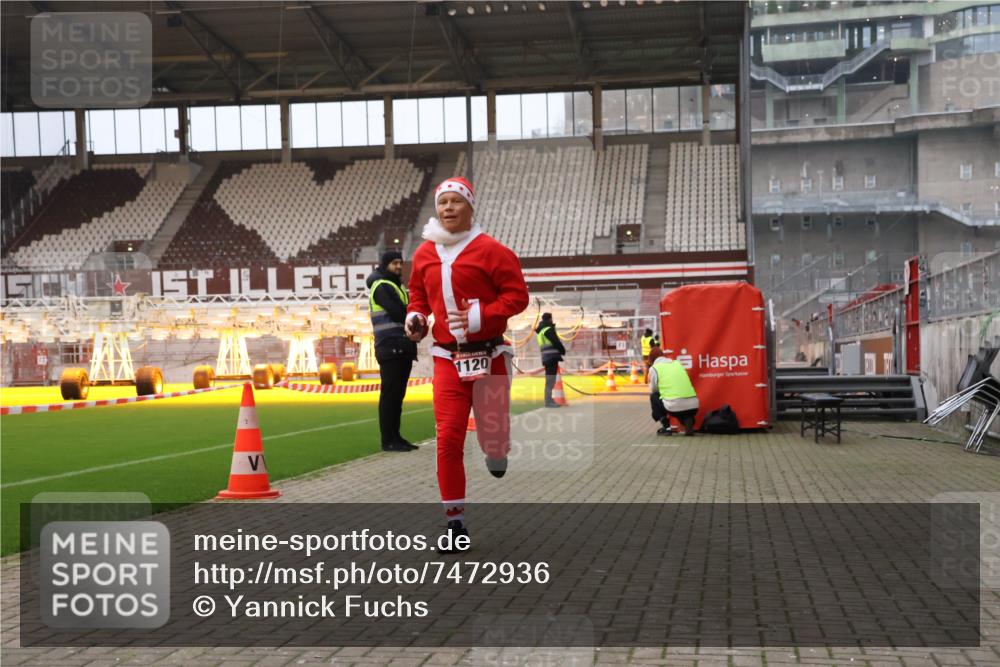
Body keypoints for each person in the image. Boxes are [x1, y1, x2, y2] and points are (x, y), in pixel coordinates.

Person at [405, 176, 529, 554]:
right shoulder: (424, 253)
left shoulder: (492, 250)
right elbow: (418, 296)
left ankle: (496, 448)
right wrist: (416, 318)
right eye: (442, 202)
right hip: (446, 358)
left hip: (488, 354)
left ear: (470, 207)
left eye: (455, 202)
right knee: (448, 437)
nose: (447, 209)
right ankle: (454, 522)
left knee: (492, 434)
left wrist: (481, 316)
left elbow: (517, 297)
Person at [366, 250, 419, 452]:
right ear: (385, 264)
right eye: (394, 263)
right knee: (390, 396)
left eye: (400, 262)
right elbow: (400, 313)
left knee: (396, 396)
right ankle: (388, 440)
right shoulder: (382, 286)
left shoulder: (395, 285)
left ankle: (395, 437)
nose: (398, 266)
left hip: (399, 346)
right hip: (391, 346)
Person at [648, 347, 700, 436]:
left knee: (654, 396)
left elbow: (654, 389)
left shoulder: (654, 368)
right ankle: (687, 419)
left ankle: (666, 427)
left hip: (674, 406)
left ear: (651, 360)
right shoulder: (677, 363)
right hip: (694, 406)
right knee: (679, 403)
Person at [535, 312, 566, 408]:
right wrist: (562, 351)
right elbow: (556, 342)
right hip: (552, 357)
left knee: (549, 380)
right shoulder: (548, 329)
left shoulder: (540, 332)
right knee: (550, 381)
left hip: (546, 357)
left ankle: (548, 400)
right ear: (550, 319)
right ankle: (548, 402)